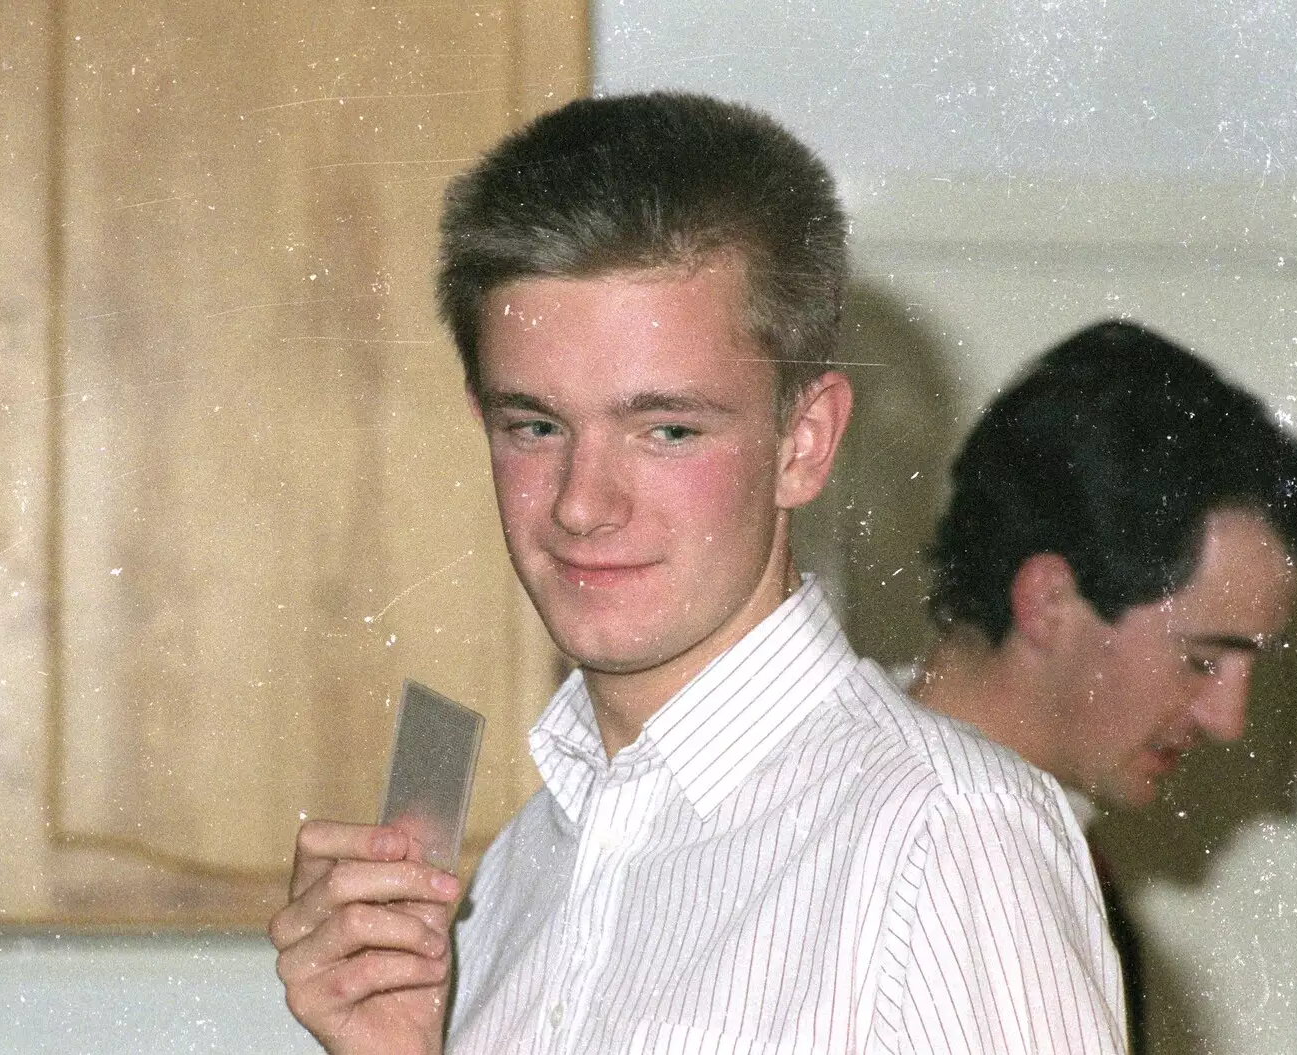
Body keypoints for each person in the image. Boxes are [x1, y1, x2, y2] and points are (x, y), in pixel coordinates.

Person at [269, 91, 1126, 1055]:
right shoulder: (516, 874)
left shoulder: (949, 837)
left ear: (804, 442)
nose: (582, 503)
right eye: (537, 426)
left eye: (667, 430)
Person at [909, 318, 1297, 1048]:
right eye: (1202, 659)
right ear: (1050, 602)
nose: (1228, 719)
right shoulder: (915, 856)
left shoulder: (1038, 851)